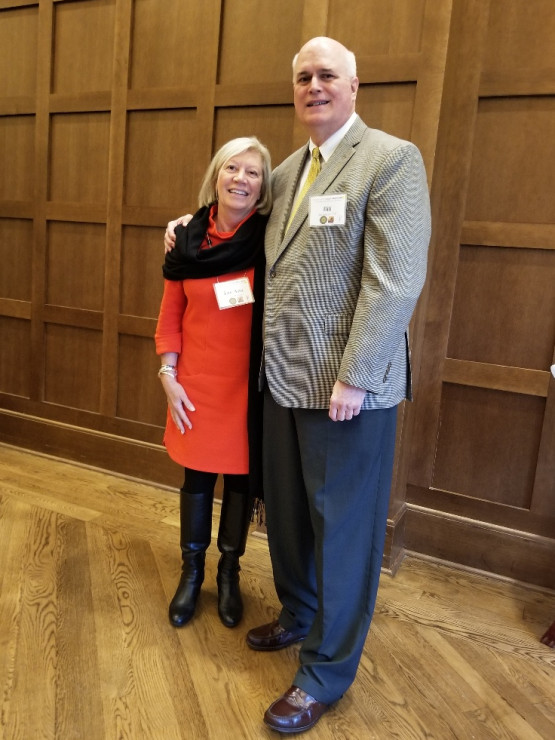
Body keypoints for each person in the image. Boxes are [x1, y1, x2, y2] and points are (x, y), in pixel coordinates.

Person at [165, 37, 431, 734]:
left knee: (342, 533)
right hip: (279, 386)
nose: (314, 85)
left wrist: (355, 374)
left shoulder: (389, 160)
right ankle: (300, 613)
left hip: (347, 392)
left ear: (353, 86)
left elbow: (394, 280)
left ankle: (324, 673)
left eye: (327, 75)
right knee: (284, 517)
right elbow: (232, 218)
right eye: (303, 76)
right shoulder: (286, 173)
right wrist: (184, 227)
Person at [155, 137, 272, 630]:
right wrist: (168, 375)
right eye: (233, 168)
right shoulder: (186, 239)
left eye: (253, 173)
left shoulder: (269, 239)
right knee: (197, 481)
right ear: (216, 175)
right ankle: (191, 573)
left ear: (264, 187)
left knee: (241, 485)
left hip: (250, 390)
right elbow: (170, 315)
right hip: (196, 386)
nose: (241, 179)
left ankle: (229, 574)